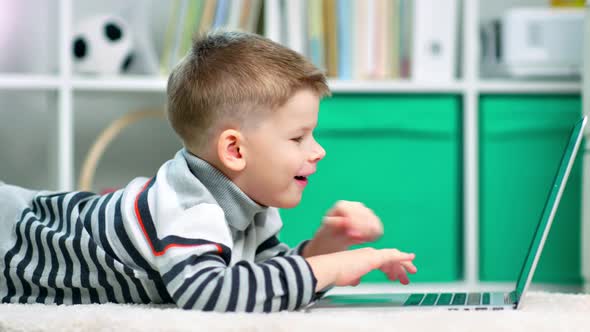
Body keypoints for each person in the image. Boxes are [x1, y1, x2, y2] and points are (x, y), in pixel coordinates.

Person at [0, 31, 417, 312]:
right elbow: (209, 292)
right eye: (299, 138)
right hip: (13, 238)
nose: (319, 151)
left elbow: (262, 281)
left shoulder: (249, 205)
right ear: (234, 150)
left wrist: (326, 248)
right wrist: (330, 269)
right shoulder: (189, 207)